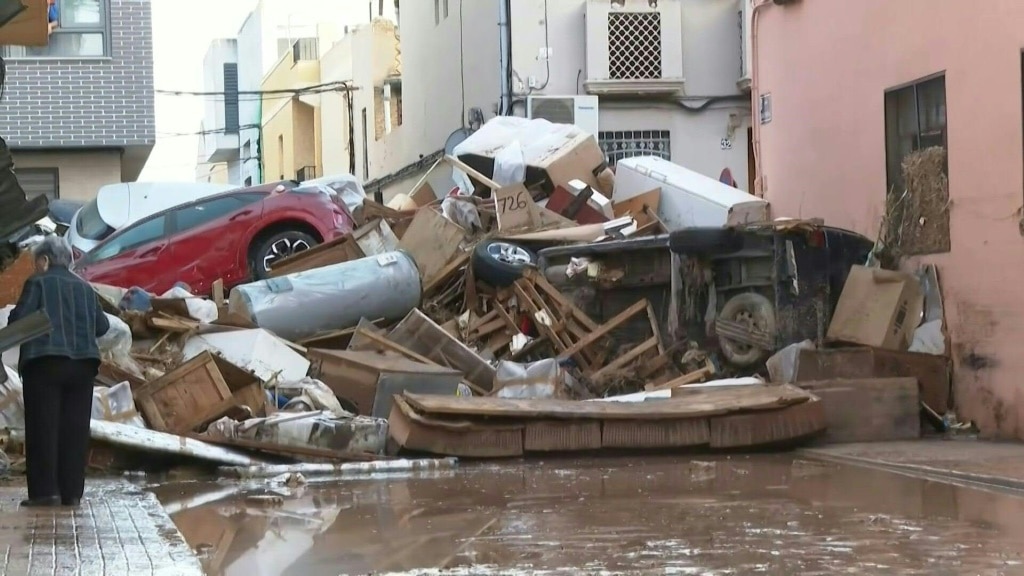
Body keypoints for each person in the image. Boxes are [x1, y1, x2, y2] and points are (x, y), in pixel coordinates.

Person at [9, 236, 110, 508]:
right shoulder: (85, 288)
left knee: (44, 427)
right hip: (83, 367)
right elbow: (101, 327)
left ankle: (45, 493)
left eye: (36, 262)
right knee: (74, 431)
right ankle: (71, 494)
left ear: (44, 260)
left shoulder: (38, 282)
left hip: (45, 363)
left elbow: (20, 320)